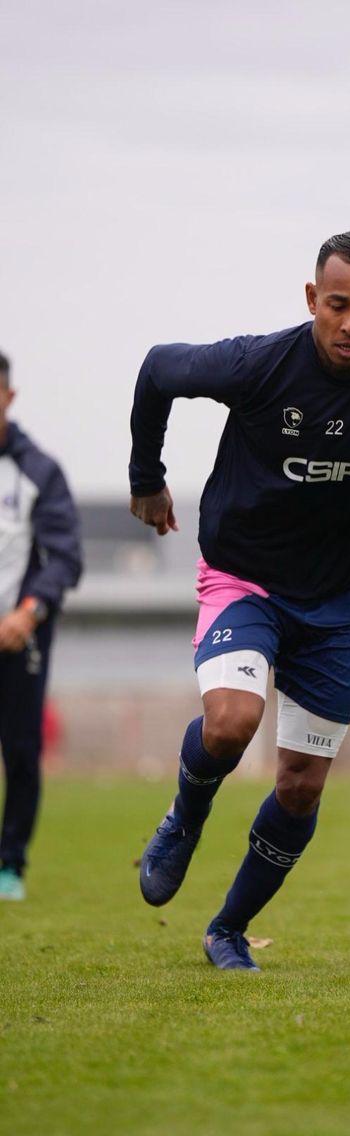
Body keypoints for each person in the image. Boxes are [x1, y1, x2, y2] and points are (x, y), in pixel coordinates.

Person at [129, 232, 350, 970]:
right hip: (243, 578)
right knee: (231, 723)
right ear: (312, 298)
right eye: (337, 305)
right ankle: (186, 816)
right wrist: (145, 476)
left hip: (337, 604)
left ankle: (227, 929)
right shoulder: (259, 363)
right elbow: (159, 369)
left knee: (302, 785)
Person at [0, 351, 83, 901]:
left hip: (19, 634)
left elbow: (64, 557)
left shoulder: (38, 472)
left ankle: (10, 864)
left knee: (21, 750)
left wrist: (29, 611)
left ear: (8, 396)